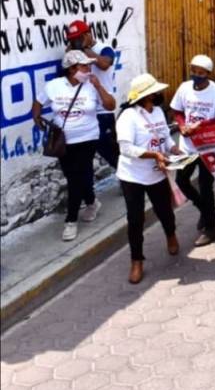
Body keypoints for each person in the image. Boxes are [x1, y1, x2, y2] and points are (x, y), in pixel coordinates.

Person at [33, 51, 116, 241]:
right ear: (71, 69)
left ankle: (70, 221)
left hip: (88, 137)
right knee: (73, 175)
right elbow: (38, 102)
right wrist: (36, 116)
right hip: (63, 140)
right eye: (84, 66)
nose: (88, 69)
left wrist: (99, 86)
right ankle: (92, 202)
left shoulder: (91, 86)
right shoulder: (54, 86)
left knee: (75, 179)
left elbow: (111, 105)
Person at [115, 74, 179, 284]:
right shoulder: (128, 117)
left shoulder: (159, 111)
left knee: (165, 212)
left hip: (156, 173)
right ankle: (136, 261)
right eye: (155, 92)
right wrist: (154, 155)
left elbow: (165, 137)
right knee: (135, 219)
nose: (159, 94)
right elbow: (126, 149)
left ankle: (171, 235)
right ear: (145, 96)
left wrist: (173, 148)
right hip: (132, 176)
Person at [170, 55, 215, 246]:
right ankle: (204, 211)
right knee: (182, 180)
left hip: (209, 146)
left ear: (208, 74)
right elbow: (177, 110)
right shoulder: (184, 88)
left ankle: (211, 229)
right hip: (188, 146)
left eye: (201, 73)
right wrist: (182, 125)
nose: (196, 75)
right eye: (194, 71)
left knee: (206, 187)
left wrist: (201, 125)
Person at [65, 20, 119, 169]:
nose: (75, 42)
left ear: (88, 34)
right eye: (72, 39)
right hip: (83, 108)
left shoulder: (105, 48)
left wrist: (85, 50)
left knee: (109, 149)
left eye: (79, 38)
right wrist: (72, 52)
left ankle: (129, 179)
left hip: (102, 108)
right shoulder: (73, 53)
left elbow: (104, 64)